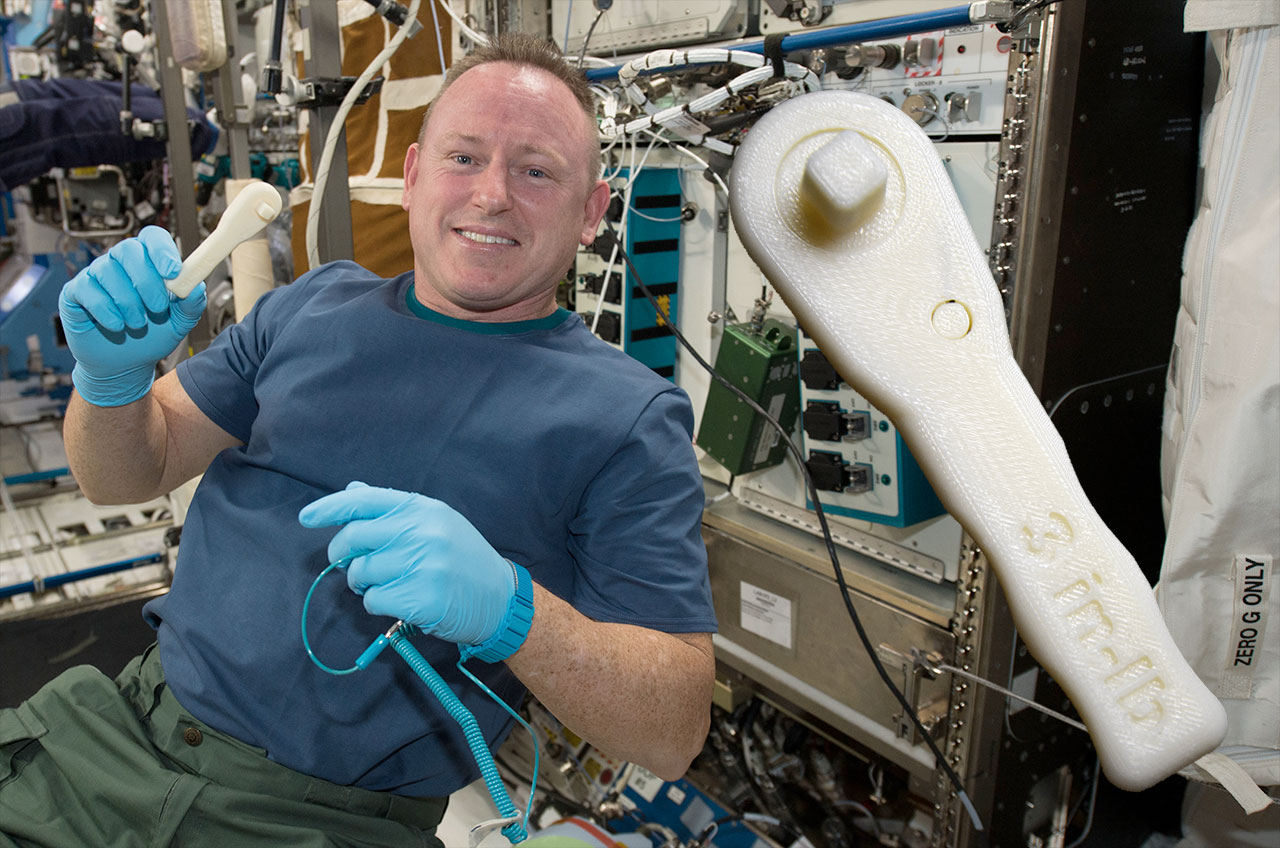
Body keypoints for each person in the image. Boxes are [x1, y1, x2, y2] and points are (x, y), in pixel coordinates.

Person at [0, 33, 716, 847]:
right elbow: (128, 472)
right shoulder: (312, 306)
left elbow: (673, 731)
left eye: (537, 171)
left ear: (593, 213)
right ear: (411, 180)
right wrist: (111, 385)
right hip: (112, 733)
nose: (491, 196)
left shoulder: (627, 417)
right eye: (464, 157)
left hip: (314, 819)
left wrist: (515, 614)